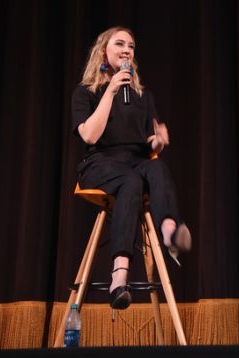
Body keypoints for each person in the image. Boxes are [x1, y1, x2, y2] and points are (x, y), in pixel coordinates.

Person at [71, 26, 191, 309]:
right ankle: (119, 277)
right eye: (120, 44)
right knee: (131, 181)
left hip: (136, 159)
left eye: (132, 46)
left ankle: (170, 231)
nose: (127, 50)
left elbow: (149, 141)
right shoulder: (86, 91)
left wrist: (158, 141)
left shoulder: (142, 94)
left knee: (157, 168)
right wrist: (110, 91)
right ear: (104, 50)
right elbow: (89, 136)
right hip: (100, 162)